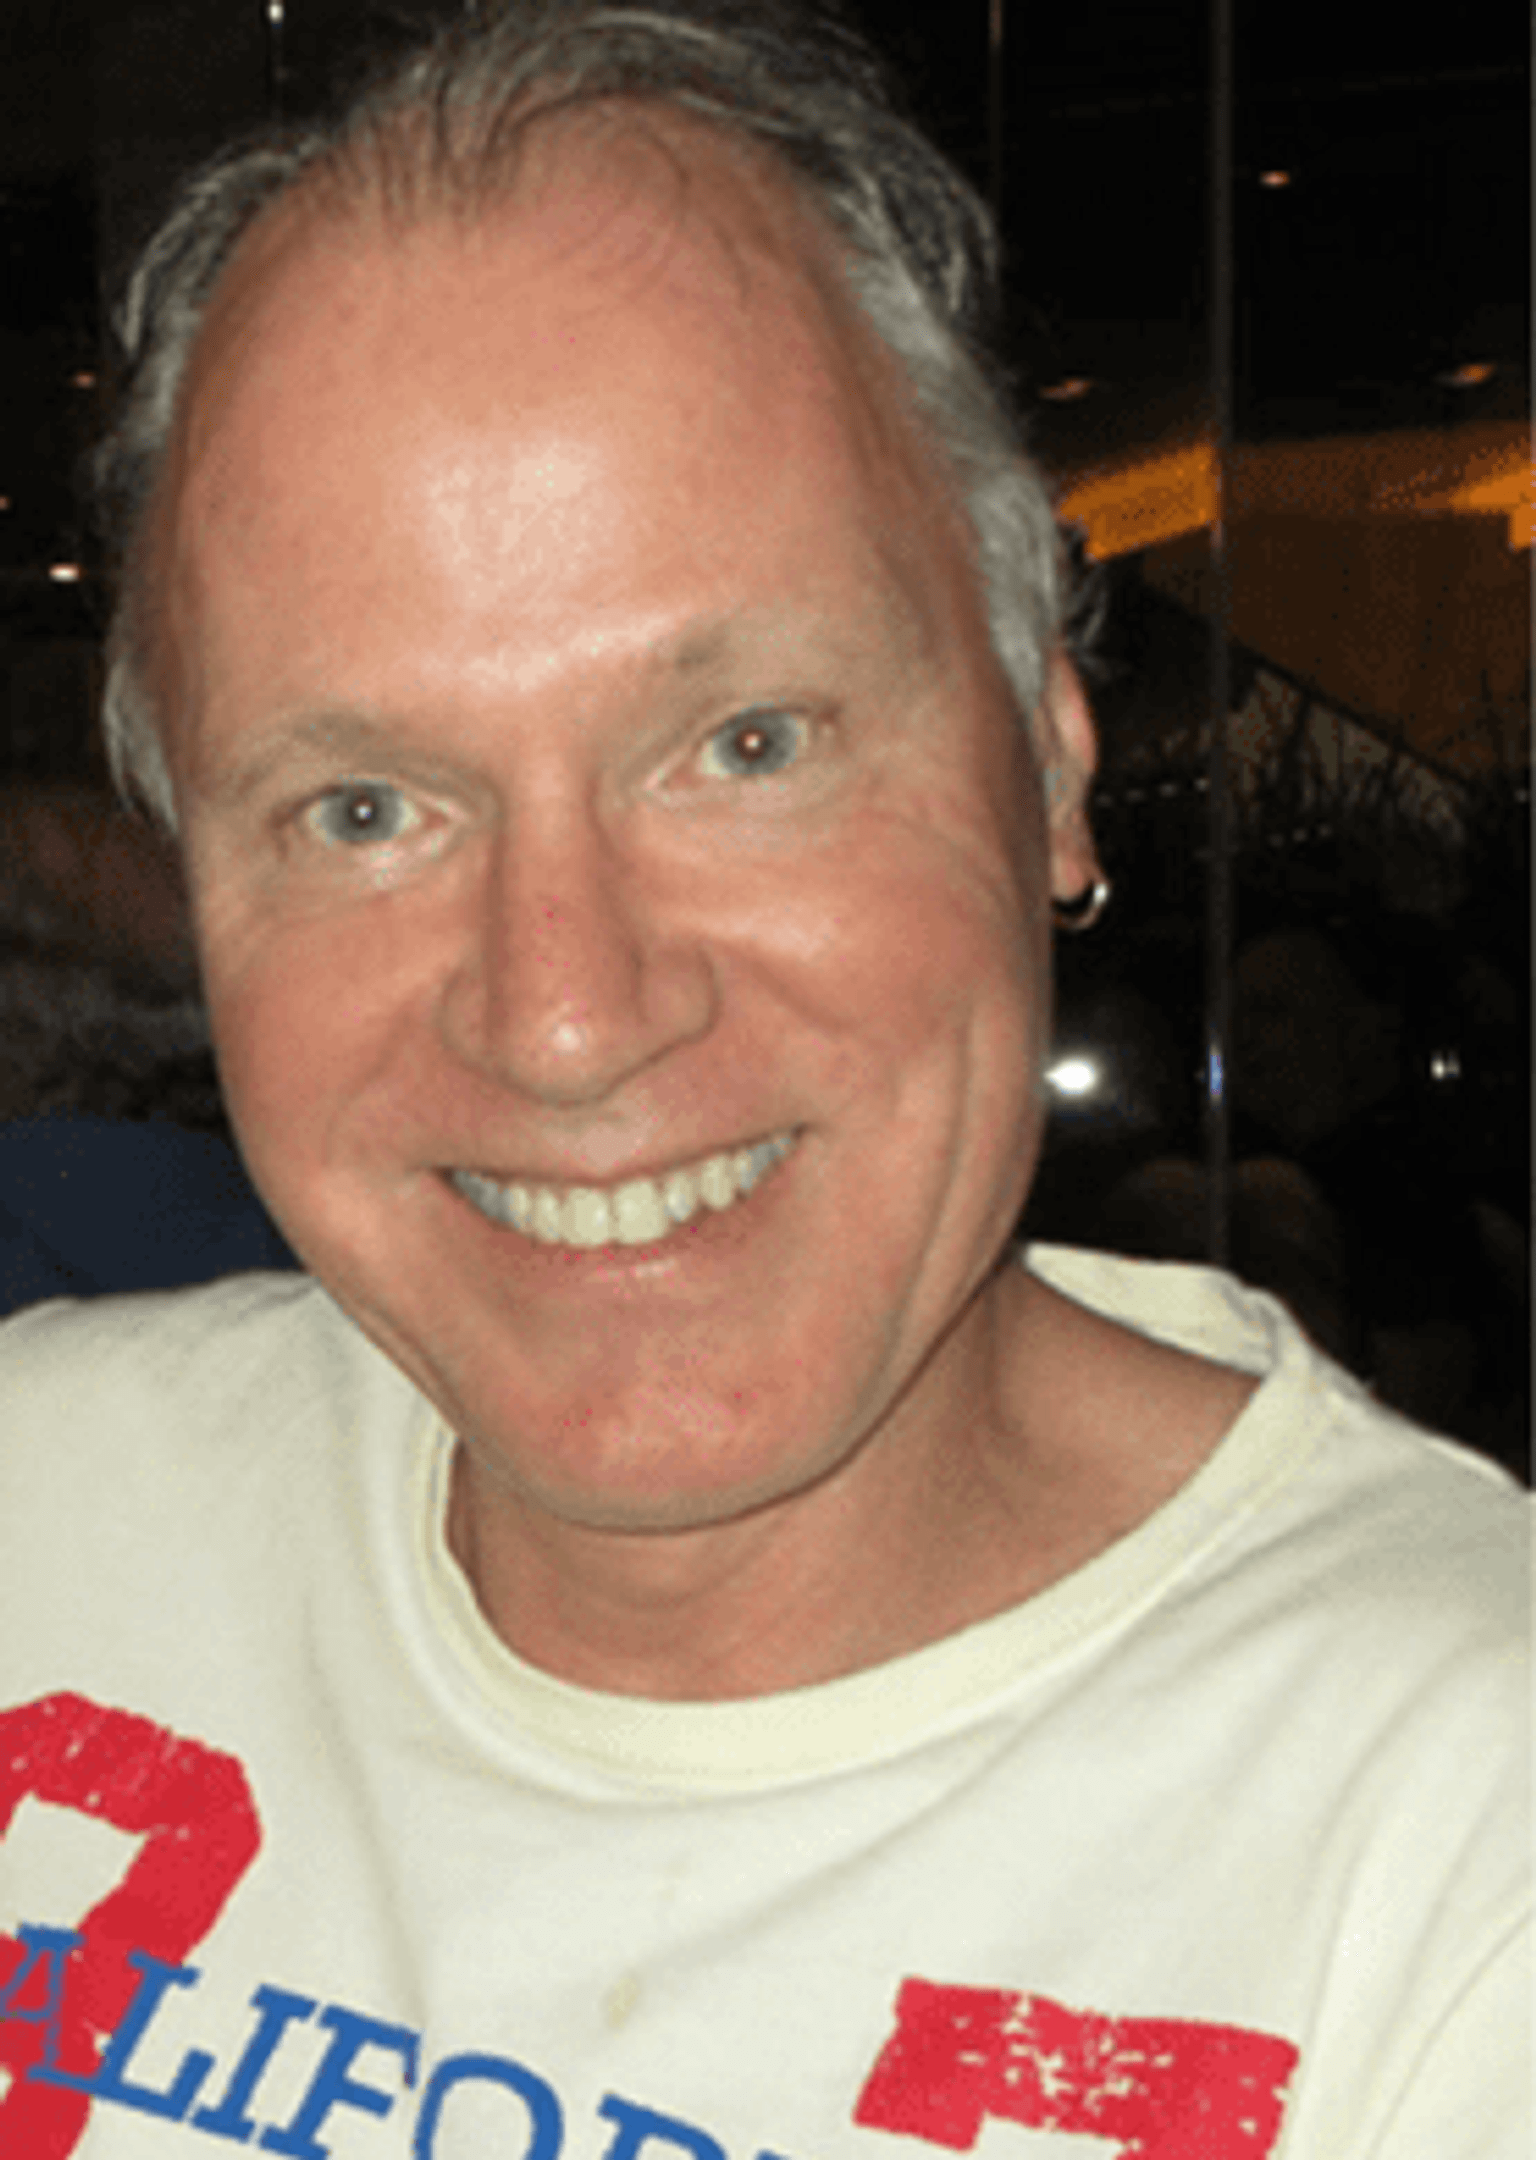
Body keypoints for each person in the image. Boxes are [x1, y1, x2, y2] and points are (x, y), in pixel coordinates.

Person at [0, 4, 1526, 2154]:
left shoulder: (1461, 1864)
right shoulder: (38, 1509)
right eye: (364, 808)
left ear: (1052, 769)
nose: (563, 1011)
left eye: (748, 747)